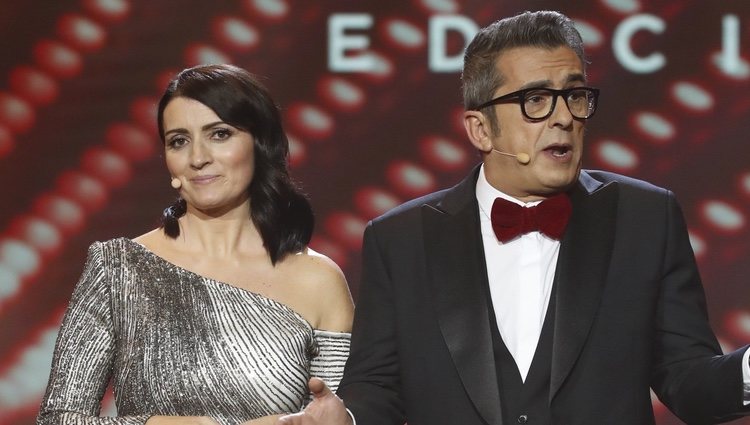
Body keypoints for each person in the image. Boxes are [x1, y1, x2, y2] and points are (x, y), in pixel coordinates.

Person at [278, 10, 750, 425]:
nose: (563, 117)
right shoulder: (401, 239)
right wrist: (349, 419)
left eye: (574, 96)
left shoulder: (646, 218)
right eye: (536, 101)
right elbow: (379, 389)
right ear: (480, 129)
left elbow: (689, 383)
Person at [37, 64, 354, 425]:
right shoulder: (117, 269)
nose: (197, 157)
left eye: (219, 134)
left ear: (260, 144)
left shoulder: (319, 281)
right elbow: (59, 419)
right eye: (178, 141)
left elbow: (338, 417)